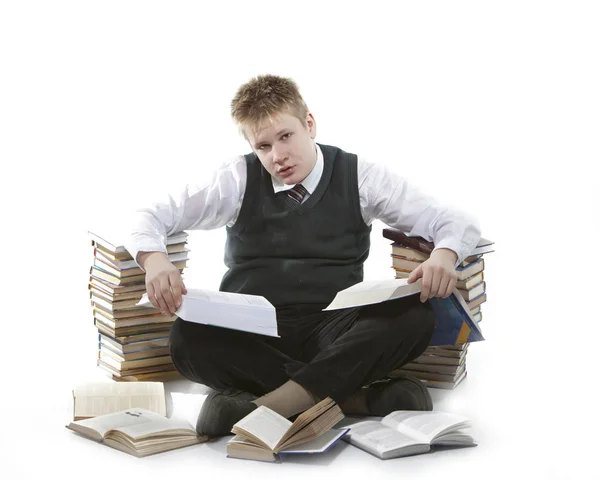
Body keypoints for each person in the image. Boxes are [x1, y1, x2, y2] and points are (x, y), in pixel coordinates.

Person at [124, 74, 481, 437]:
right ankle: (352, 399)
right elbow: (149, 215)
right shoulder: (237, 178)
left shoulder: (360, 176)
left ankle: (265, 407)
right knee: (187, 338)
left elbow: (455, 220)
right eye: (263, 146)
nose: (277, 156)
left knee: (414, 316)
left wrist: (444, 254)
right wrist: (154, 259)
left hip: (335, 327)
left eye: (285, 136)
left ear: (309, 124)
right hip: (254, 331)